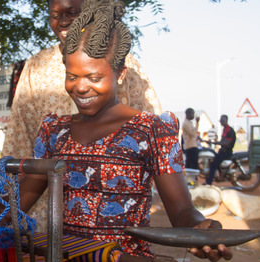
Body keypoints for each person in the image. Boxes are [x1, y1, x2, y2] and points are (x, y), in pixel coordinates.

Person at [17, 0, 232, 260]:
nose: (80, 88)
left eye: (94, 78)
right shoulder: (55, 131)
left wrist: (201, 229)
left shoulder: (151, 131)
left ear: (120, 73)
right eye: (72, 76)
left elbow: (182, 210)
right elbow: (19, 202)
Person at [2, 0, 162, 231]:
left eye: (72, 12)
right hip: (45, 201)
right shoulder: (35, 67)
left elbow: (148, 127)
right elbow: (20, 130)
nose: (63, 20)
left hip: (115, 203)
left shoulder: (122, 62)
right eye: (56, 14)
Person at [203, 115, 236, 185]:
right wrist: (213, 142)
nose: (220, 122)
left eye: (221, 121)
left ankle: (209, 182)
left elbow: (226, 143)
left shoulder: (230, 130)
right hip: (223, 151)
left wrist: (214, 142)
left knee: (213, 164)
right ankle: (220, 175)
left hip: (226, 152)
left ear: (224, 121)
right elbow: (222, 141)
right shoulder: (225, 130)